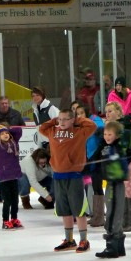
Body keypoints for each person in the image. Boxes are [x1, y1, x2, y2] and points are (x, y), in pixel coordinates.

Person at [39, 108, 98, 252]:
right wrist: (55, 120)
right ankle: (69, 239)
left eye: (65, 119)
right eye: (60, 119)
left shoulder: (79, 132)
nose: (62, 122)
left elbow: (92, 126)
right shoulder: (52, 131)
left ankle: (84, 240)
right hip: (58, 176)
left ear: (72, 120)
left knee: (78, 210)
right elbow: (42, 128)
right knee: (64, 210)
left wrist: (76, 120)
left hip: (74, 176)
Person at [93, 120, 131, 259]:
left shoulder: (120, 147)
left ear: (117, 136)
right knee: (112, 210)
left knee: (112, 213)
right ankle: (119, 247)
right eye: (105, 134)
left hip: (116, 183)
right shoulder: (105, 146)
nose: (107, 136)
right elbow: (96, 157)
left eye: (110, 134)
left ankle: (112, 246)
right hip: (110, 182)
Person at [104, 102, 131, 231]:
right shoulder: (108, 127)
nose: (107, 114)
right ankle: (124, 220)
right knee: (122, 190)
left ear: (119, 112)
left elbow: (128, 142)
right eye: (106, 111)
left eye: (110, 111)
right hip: (117, 163)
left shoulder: (124, 126)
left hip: (128, 160)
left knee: (128, 188)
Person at [0, 124, 24, 230]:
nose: (5, 135)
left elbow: (19, 130)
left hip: (14, 176)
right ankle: (5, 221)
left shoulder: (14, 142)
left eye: (6, 133)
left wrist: (7, 129)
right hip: (4, 177)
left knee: (15, 200)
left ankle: (14, 218)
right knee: (7, 201)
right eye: (2, 134)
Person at [74, 102, 105, 227]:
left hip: (97, 158)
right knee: (95, 186)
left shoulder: (95, 121)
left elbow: (100, 135)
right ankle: (96, 215)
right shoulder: (82, 124)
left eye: (81, 113)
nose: (80, 115)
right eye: (78, 114)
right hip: (89, 157)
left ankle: (100, 215)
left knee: (97, 186)